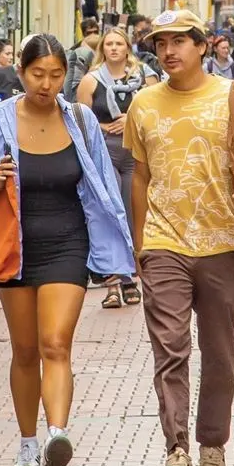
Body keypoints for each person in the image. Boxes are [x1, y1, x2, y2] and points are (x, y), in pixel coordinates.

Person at [0, 34, 134, 466]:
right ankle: (27, 443)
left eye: (56, 76)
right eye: (38, 74)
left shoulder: (80, 119)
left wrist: (122, 249)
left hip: (68, 244)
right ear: (21, 73)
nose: (47, 84)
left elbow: (104, 184)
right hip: (14, 248)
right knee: (25, 348)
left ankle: (57, 434)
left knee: (56, 343)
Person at [123, 10, 234, 466]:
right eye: (160, 44)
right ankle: (176, 448)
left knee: (219, 351)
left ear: (202, 45)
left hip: (223, 244)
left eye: (179, 42)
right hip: (163, 242)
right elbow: (140, 175)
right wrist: (139, 243)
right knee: (170, 349)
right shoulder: (144, 105)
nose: (168, 51)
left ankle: (211, 443)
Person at [75, 25, 154, 309]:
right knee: (109, 213)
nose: (114, 48)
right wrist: (105, 126)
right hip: (105, 152)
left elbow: (158, 110)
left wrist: (131, 121)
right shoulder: (91, 80)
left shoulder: (144, 77)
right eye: (108, 44)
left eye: (119, 44)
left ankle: (133, 272)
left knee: (134, 214)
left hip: (135, 153)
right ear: (102, 49)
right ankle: (115, 281)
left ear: (127, 48)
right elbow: (80, 119)